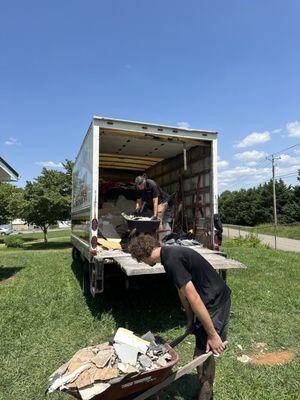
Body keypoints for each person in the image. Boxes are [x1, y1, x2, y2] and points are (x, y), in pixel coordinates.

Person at [128, 235, 231, 400]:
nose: (142, 263)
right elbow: (182, 292)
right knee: (200, 351)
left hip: (215, 302)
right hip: (206, 300)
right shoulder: (168, 255)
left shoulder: (171, 260)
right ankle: (204, 390)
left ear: (143, 255)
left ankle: (205, 395)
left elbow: (194, 298)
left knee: (203, 355)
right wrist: (190, 319)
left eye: (140, 260)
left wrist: (212, 334)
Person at [134, 175, 170, 243]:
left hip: (161, 202)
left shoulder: (151, 184)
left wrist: (155, 214)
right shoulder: (138, 188)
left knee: (158, 220)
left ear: (144, 182)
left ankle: (159, 242)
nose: (140, 187)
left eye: (141, 185)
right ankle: (150, 240)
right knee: (148, 220)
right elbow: (138, 200)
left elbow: (155, 201)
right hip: (149, 203)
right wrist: (136, 210)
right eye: (138, 186)